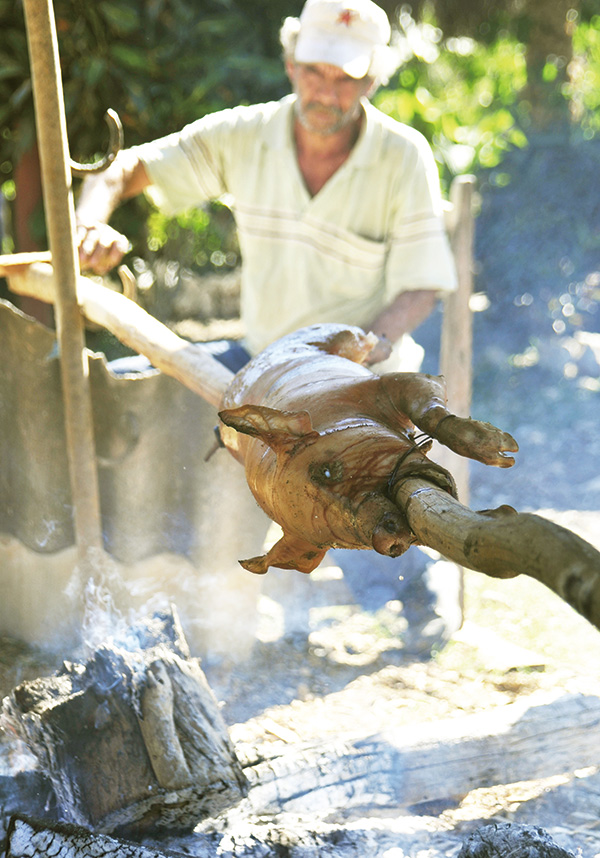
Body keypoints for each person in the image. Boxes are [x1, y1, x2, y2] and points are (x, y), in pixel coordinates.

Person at [76, 0, 462, 655]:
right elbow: (119, 170)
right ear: (290, 63)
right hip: (266, 359)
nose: (326, 91)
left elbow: (420, 284)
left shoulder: (403, 156)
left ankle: (416, 594)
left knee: (358, 480)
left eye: (345, 78)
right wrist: (90, 221)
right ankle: (191, 592)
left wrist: (356, 362)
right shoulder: (247, 134)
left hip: (364, 371)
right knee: (147, 388)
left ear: (370, 82)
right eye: (314, 72)